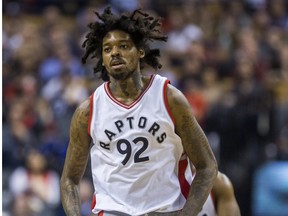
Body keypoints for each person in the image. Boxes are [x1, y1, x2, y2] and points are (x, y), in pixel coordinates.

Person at [60, 6, 218, 216]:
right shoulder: (88, 110)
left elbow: (207, 166)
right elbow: (69, 180)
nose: (114, 52)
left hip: (166, 210)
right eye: (107, 49)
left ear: (140, 51)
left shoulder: (169, 98)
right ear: (103, 60)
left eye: (123, 46)